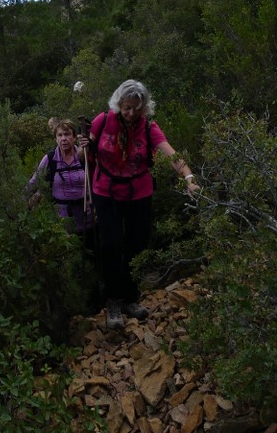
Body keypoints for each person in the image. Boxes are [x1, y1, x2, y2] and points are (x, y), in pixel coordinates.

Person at [86, 79, 198, 330]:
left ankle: (130, 297)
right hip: (106, 192)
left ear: (144, 107)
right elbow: (88, 150)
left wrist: (189, 178)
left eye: (137, 108)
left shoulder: (148, 128)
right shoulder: (102, 121)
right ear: (118, 103)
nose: (131, 113)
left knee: (137, 245)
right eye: (127, 107)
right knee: (111, 245)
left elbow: (171, 154)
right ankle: (113, 301)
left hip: (139, 194)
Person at [29, 119, 91, 235]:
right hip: (61, 223)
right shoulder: (50, 159)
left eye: (67, 134)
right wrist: (19, 204)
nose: (63, 139)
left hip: (87, 218)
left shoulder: (84, 156)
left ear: (74, 137)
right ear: (56, 139)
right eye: (60, 135)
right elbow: (34, 182)